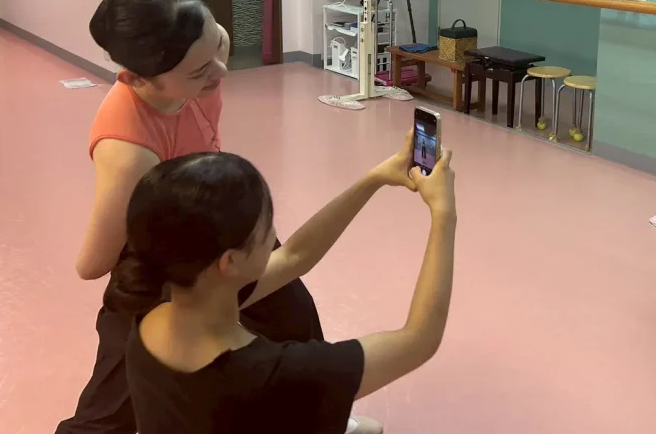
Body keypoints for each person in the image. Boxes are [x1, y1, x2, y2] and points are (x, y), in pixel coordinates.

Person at [57, 0, 389, 433]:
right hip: (170, 261)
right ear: (137, 78)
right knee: (114, 403)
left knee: (293, 316)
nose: (220, 72)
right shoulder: (128, 149)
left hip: (220, 223)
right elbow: (92, 264)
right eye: (199, 73)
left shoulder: (204, 49)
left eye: (216, 44)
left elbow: (295, 257)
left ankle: (312, 418)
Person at [109, 143, 456, 433]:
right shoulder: (273, 375)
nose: (274, 234)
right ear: (230, 261)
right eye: (266, 226)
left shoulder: (158, 305)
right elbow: (419, 340)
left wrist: (374, 179)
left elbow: (295, 256)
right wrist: (444, 215)